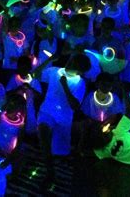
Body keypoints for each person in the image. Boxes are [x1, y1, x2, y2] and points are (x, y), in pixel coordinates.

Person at [37, 54, 91, 184]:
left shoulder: (80, 83)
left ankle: (59, 160)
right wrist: (50, 60)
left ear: (79, 71)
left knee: (59, 151)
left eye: (73, 65)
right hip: (47, 111)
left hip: (63, 118)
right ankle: (51, 173)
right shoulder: (55, 71)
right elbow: (35, 75)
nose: (69, 64)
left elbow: (74, 105)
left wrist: (65, 86)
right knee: (44, 139)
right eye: (70, 61)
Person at [6, 55, 42, 135]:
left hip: (30, 110)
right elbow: (7, 93)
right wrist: (19, 88)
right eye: (20, 67)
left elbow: (39, 96)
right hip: (16, 110)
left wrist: (30, 88)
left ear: (29, 68)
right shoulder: (14, 78)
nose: (22, 70)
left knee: (29, 132)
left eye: (25, 68)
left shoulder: (34, 81)